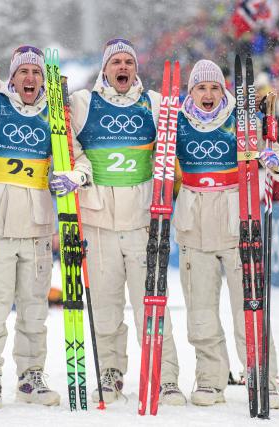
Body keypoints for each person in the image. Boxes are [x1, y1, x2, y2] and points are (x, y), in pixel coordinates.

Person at [49, 38, 186, 406]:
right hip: (97, 223)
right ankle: (110, 373)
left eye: (129, 61)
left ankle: (165, 376)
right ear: (105, 68)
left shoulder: (154, 103)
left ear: (135, 68)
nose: (123, 67)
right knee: (106, 308)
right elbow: (62, 142)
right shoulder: (81, 102)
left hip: (143, 223)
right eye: (116, 62)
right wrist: (78, 172)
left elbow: (179, 140)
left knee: (152, 305)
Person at [172, 59, 279, 409]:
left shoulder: (241, 122)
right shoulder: (177, 121)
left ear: (223, 90)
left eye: (213, 87)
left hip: (238, 223)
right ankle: (210, 380)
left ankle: (263, 379)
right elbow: (159, 160)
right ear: (191, 91)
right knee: (200, 312)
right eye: (200, 87)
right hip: (194, 224)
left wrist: (276, 161)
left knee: (250, 311)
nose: (207, 94)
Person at [0, 45, 60, 409]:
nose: (31, 78)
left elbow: (69, 157)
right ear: (13, 77)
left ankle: (31, 376)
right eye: (24, 72)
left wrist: (71, 176)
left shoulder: (55, 115)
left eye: (36, 72)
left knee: (35, 306)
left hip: (35, 223)